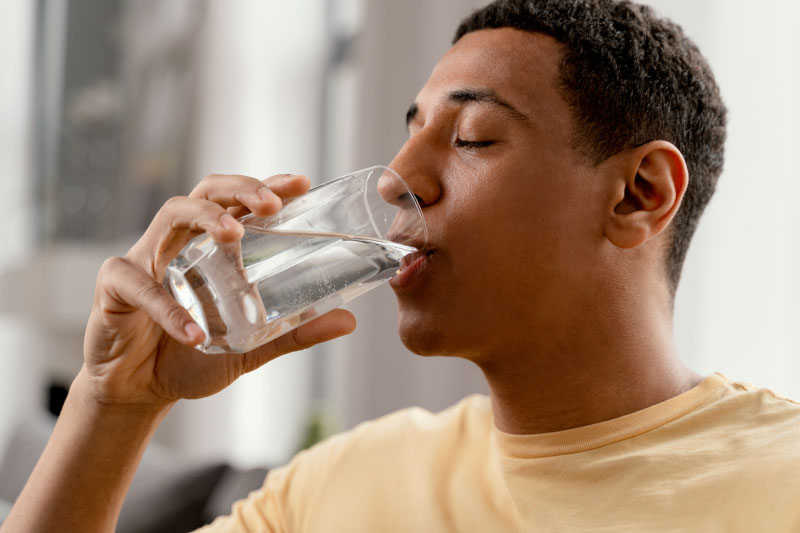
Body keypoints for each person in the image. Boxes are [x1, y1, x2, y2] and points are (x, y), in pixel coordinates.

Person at [4, 0, 800, 531]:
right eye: (409, 131)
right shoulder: (338, 487)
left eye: (472, 138)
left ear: (638, 194)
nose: (394, 179)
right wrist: (115, 402)